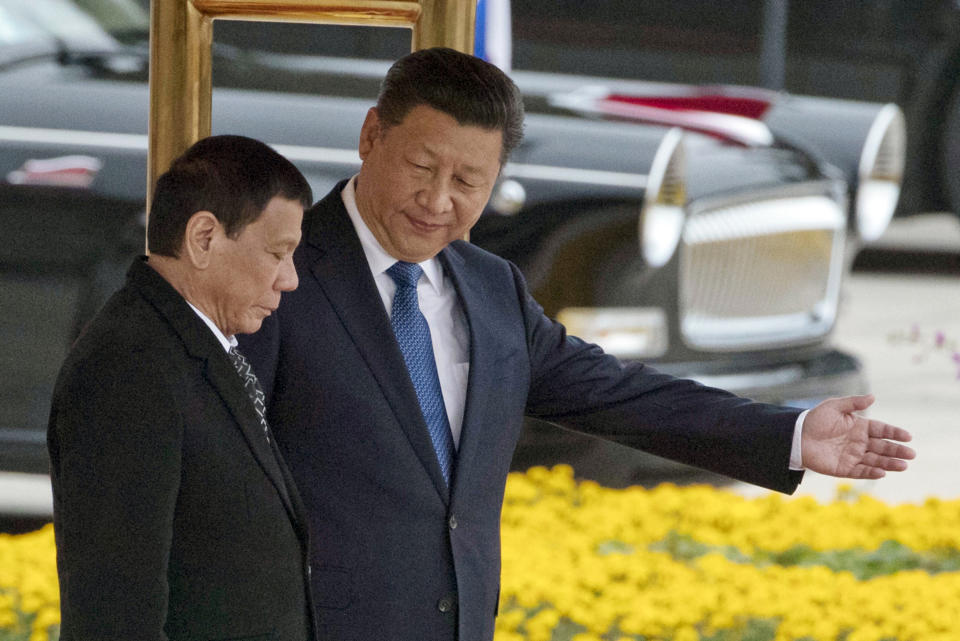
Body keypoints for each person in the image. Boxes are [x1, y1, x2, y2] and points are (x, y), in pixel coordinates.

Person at [238, 48, 915, 641]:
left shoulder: (489, 287)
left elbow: (619, 394)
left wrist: (792, 433)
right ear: (370, 136)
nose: (438, 199)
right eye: (421, 165)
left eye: (469, 181)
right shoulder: (272, 274)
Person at [48, 135, 317, 641]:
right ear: (204, 238)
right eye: (278, 253)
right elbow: (115, 612)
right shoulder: (130, 366)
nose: (290, 279)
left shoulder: (187, 345)